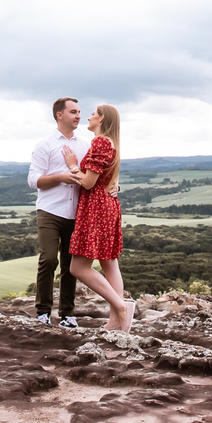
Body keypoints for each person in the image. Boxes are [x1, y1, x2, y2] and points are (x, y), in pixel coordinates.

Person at [65, 104, 134, 332]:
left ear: (102, 118)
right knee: (109, 263)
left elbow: (88, 182)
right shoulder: (111, 143)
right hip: (107, 206)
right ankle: (118, 321)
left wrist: (73, 166)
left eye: (93, 114)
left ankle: (120, 306)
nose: (89, 116)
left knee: (77, 267)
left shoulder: (101, 142)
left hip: (95, 207)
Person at [27, 97, 89, 327]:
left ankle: (67, 315)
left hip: (76, 213)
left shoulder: (85, 146)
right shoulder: (45, 145)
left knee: (70, 265)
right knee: (49, 258)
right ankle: (43, 312)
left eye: (80, 112)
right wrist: (60, 177)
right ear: (59, 115)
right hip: (50, 211)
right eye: (73, 112)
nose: (78, 116)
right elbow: (33, 180)